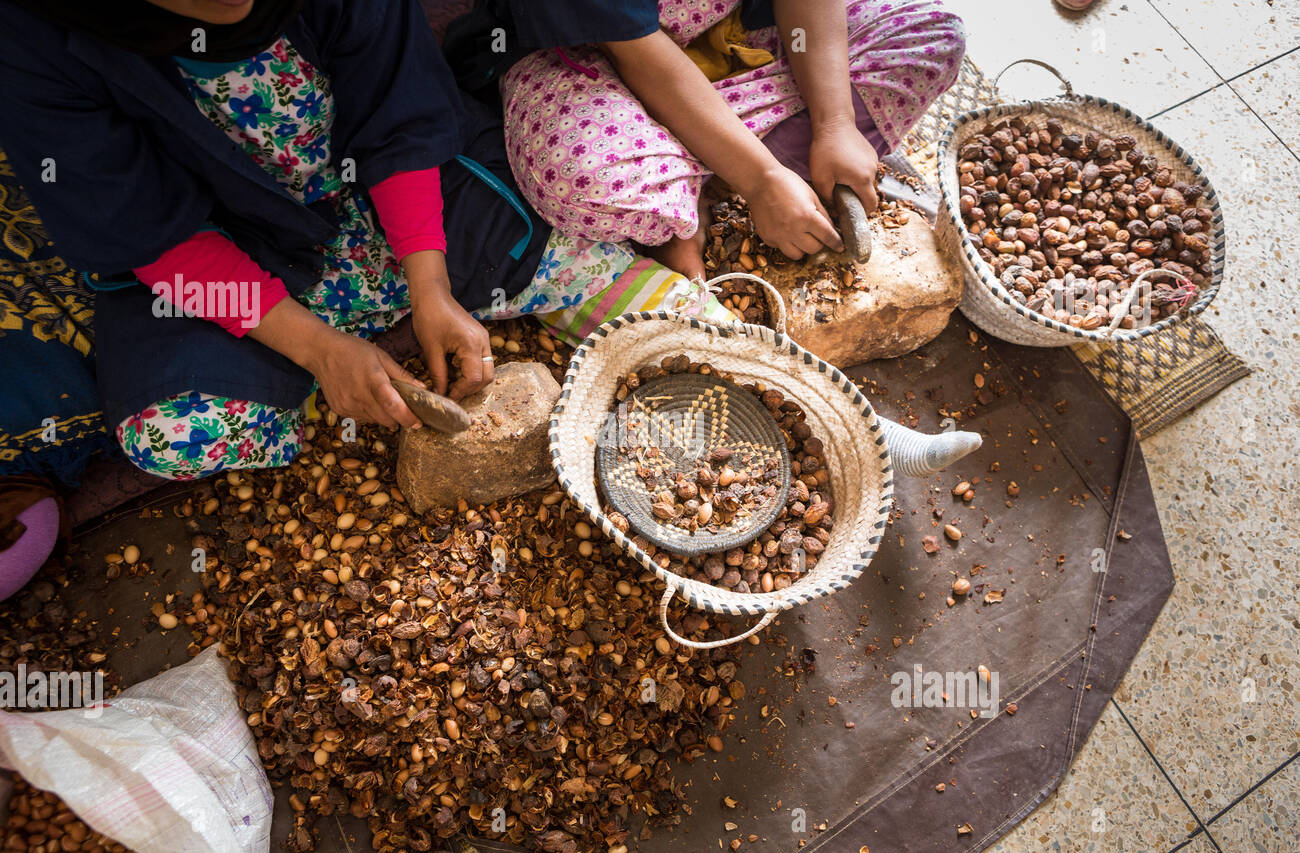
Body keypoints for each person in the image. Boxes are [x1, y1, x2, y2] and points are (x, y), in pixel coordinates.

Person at [0, 0, 728, 487]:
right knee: (174, 429)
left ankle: (401, 336)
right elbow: (149, 235)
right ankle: (340, 373)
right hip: (236, 261)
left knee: (524, 240)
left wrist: (429, 284)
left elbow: (399, 116)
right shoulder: (34, 37)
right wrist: (316, 346)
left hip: (380, 200)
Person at [445, 0, 966, 277]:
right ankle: (710, 179)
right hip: (585, 62)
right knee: (582, 176)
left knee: (932, 32)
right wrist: (761, 180)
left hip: (735, 33)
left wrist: (836, 122)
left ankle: (692, 177)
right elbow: (640, 56)